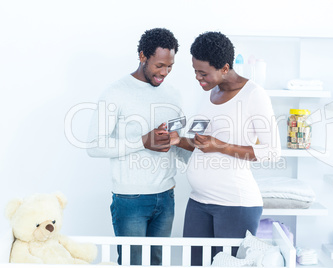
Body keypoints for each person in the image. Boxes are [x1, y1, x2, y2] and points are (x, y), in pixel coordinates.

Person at [171, 31, 281, 265]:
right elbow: (202, 144)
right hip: (198, 201)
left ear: (224, 68)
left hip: (235, 204)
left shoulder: (254, 95)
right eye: (195, 72)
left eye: (203, 73)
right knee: (193, 264)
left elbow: (272, 151)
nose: (198, 78)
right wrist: (176, 140)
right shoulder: (210, 92)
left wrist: (220, 146)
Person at [87, 28, 190, 265]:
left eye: (170, 66)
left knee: (156, 262)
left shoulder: (174, 94)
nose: (164, 73)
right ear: (143, 56)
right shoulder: (116, 93)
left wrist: (195, 146)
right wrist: (143, 141)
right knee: (133, 262)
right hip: (131, 198)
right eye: (159, 65)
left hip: (167, 196)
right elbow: (94, 146)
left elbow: (178, 144)